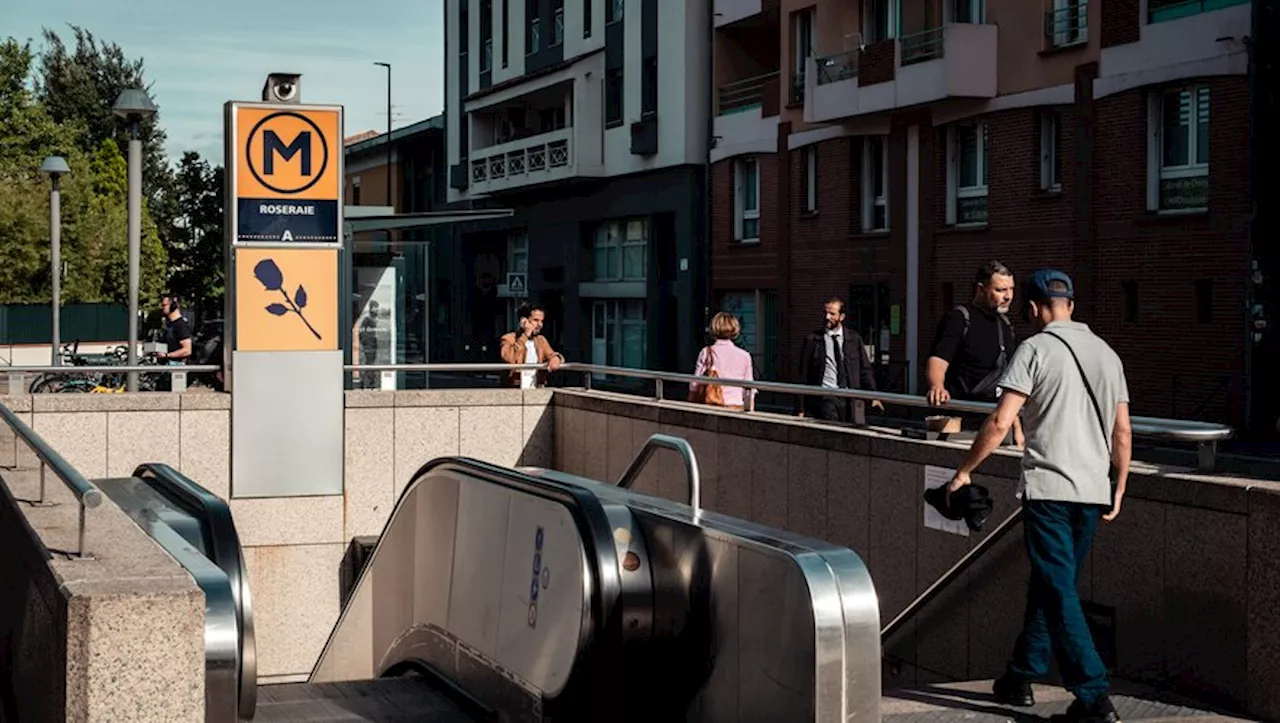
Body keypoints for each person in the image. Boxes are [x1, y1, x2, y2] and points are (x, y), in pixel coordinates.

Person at [946, 269, 1131, 723]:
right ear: (1072, 303)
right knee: (1052, 585)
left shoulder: (1033, 348)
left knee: (1058, 589)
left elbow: (999, 421)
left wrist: (964, 471)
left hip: (1050, 490)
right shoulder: (1107, 354)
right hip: (1093, 490)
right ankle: (1020, 676)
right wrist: (1120, 487)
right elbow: (1122, 431)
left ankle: (1093, 697)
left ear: (1032, 308)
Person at [927, 260, 1024, 446]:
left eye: (1011, 289)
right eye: (1000, 290)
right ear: (981, 289)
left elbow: (1009, 380)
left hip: (995, 421)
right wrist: (936, 386)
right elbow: (939, 358)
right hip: (959, 419)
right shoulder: (959, 318)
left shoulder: (1005, 325)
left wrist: (1017, 429)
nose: (1008, 296)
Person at [796, 298, 883, 422]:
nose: (827, 317)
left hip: (850, 397)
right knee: (832, 429)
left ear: (841, 317)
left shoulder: (854, 339)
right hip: (826, 395)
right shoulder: (813, 340)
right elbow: (802, 374)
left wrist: (874, 395)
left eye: (832, 314)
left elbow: (865, 369)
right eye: (825, 313)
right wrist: (800, 407)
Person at [689, 312, 755, 410]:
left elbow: (694, 384)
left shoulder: (706, 352)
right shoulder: (745, 355)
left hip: (713, 404)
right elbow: (749, 388)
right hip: (737, 406)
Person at [499, 303, 564, 389]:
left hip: (536, 388)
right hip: (514, 389)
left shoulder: (541, 340)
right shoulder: (509, 339)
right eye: (536, 320)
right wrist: (525, 336)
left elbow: (551, 354)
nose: (540, 325)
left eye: (542, 321)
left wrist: (556, 358)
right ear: (524, 321)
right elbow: (509, 358)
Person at [156, 295, 192, 363]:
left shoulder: (181, 325)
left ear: (173, 306)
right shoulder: (169, 325)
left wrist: (167, 355)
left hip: (176, 365)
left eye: (164, 305)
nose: (162, 308)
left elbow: (187, 350)